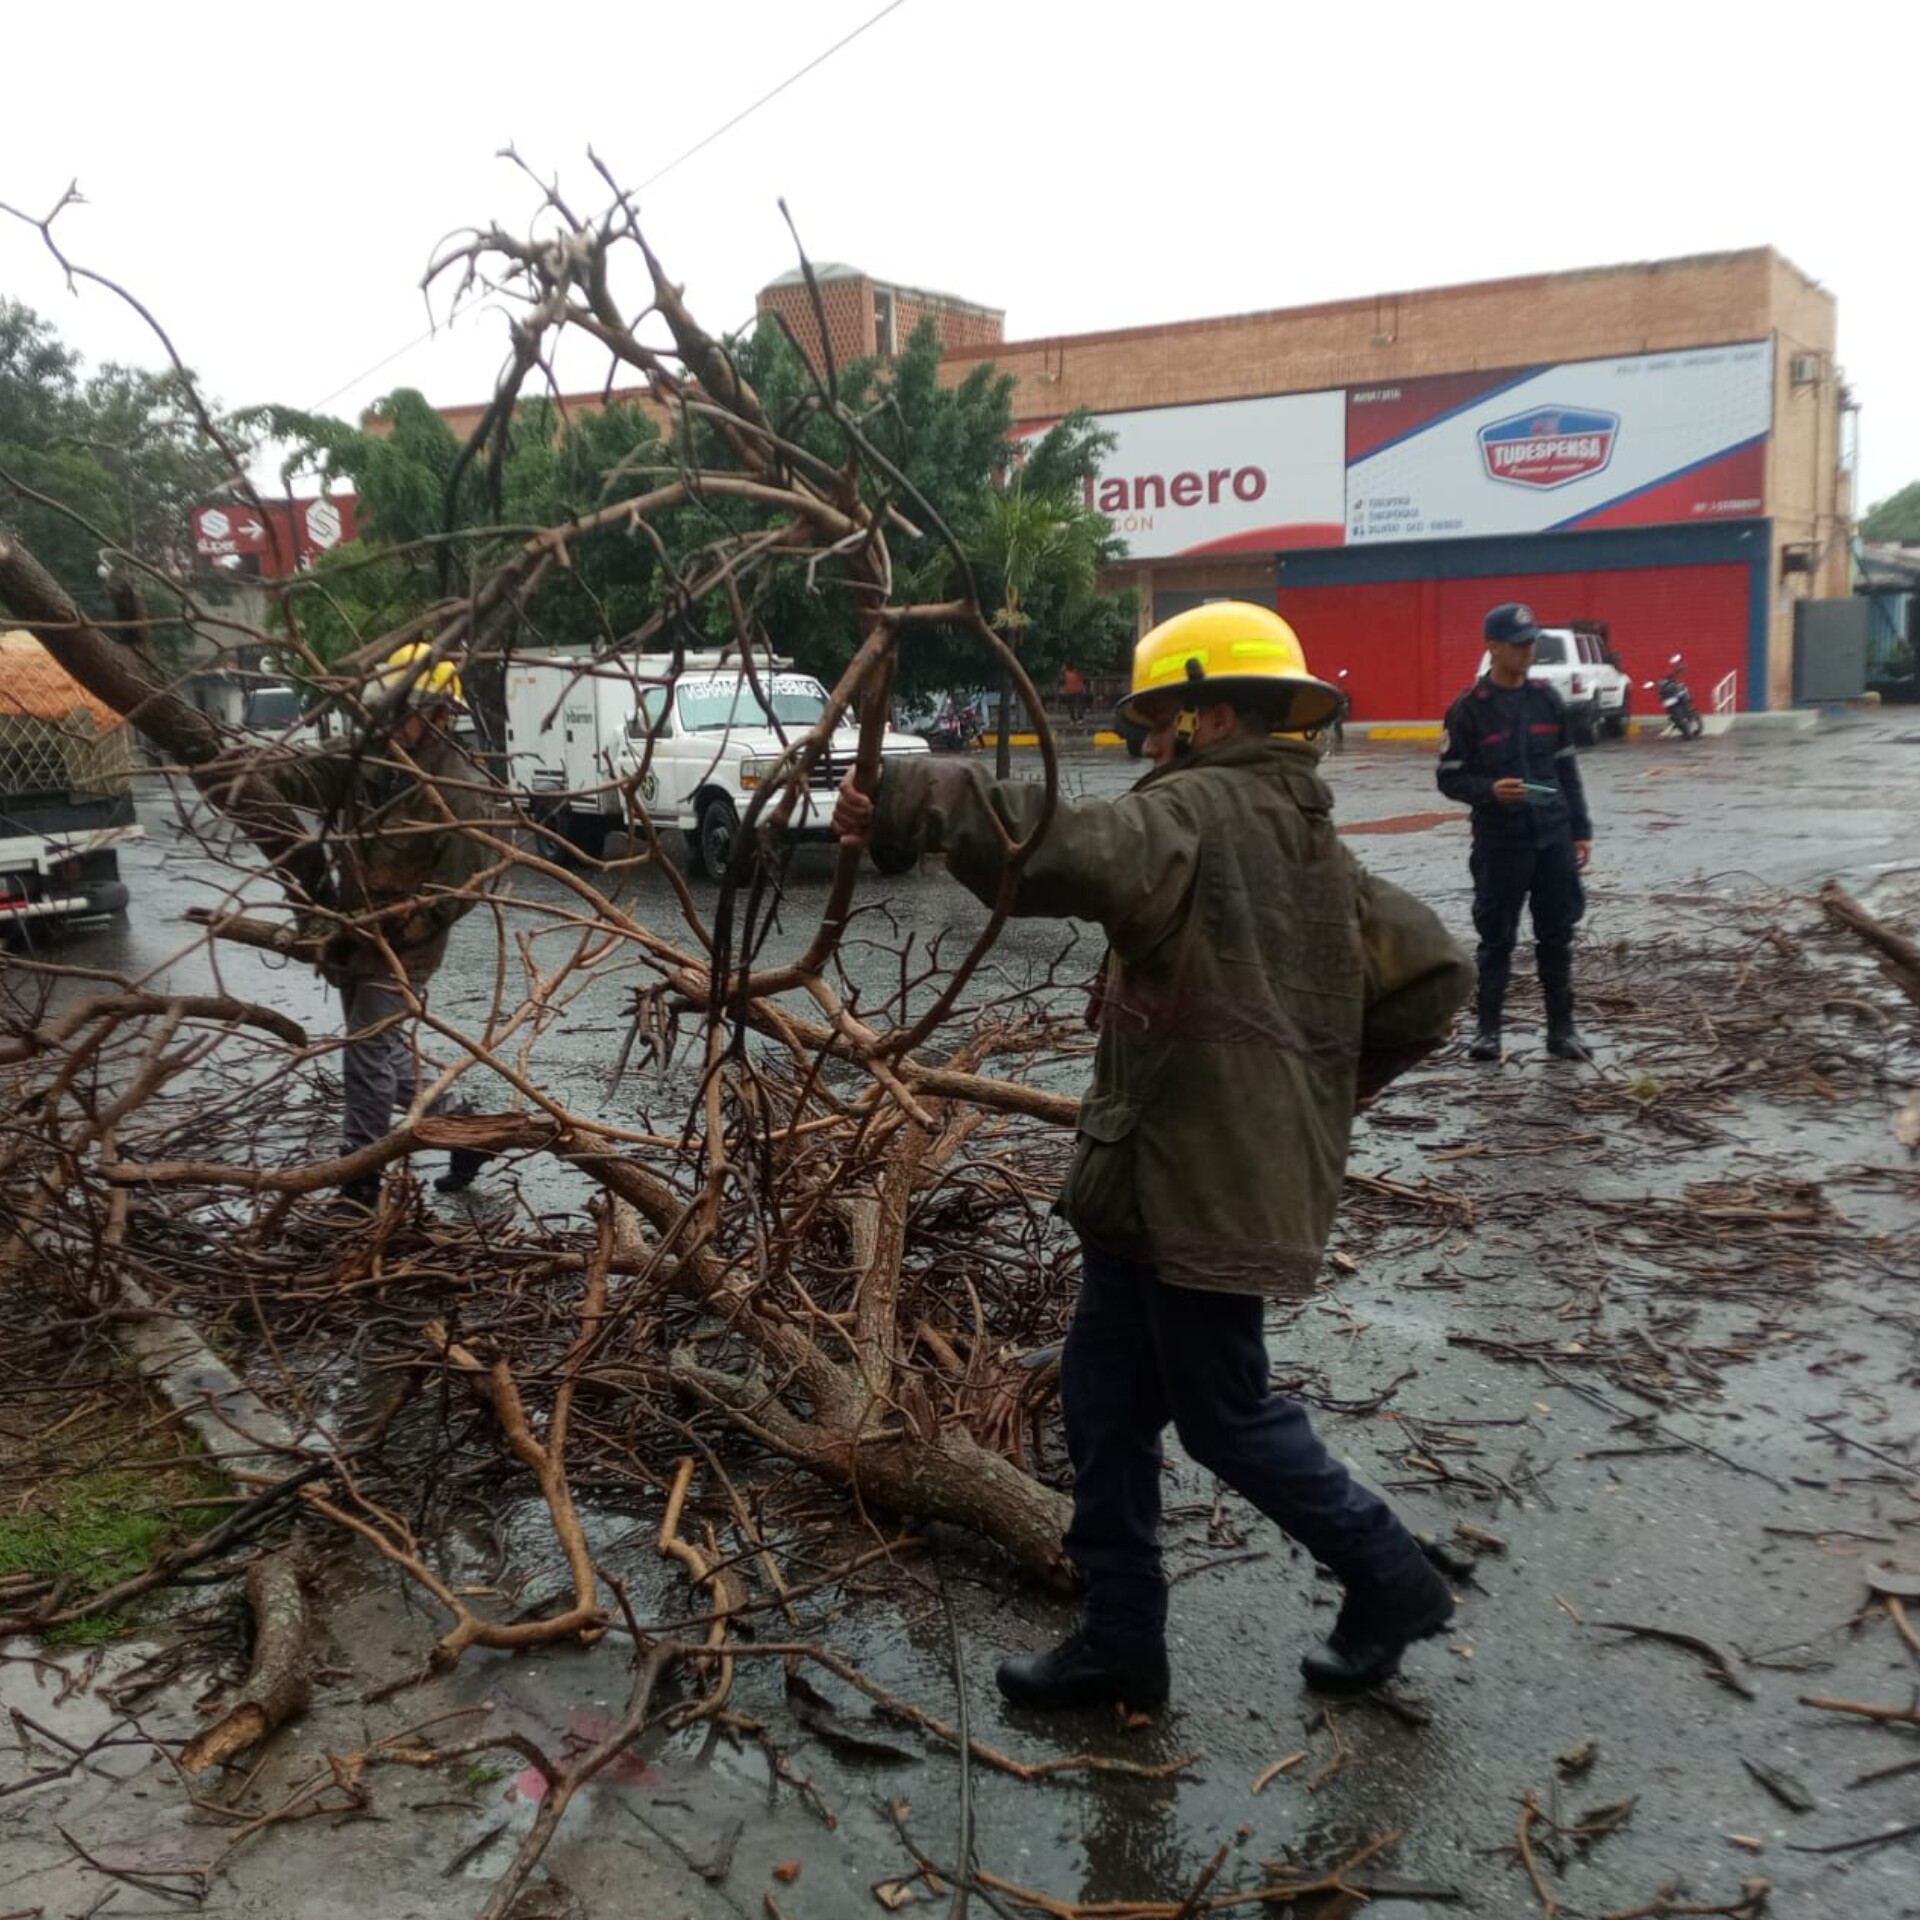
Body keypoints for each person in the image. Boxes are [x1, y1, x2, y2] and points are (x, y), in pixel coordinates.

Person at [833, 602, 1474, 1706]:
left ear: (1211, 711)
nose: (1148, 742)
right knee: (1104, 1394)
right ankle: (1124, 1641)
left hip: (1200, 1188)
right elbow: (1433, 974)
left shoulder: (1202, 810)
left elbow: (1063, 850)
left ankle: (1390, 1576)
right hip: (1167, 1178)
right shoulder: (1302, 832)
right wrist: (1320, 1093)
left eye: (1159, 719)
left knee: (1226, 1414)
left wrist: (911, 792)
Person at [273, 643, 501, 1209]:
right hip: (350, 931)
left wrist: (403, 923)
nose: (393, 725)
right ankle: (466, 1123)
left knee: (367, 1053)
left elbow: (459, 888)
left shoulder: (459, 788)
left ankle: (361, 1180)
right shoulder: (369, 759)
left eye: (406, 713)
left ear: (440, 716)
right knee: (388, 1059)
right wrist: (239, 765)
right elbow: (304, 777)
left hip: (406, 948)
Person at [1437, 604, 1595, 1063]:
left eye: (1531, 643)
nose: (1527, 652)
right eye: (1518, 644)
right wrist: (1489, 791)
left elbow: (1567, 768)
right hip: (1500, 842)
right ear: (1493, 647)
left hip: (1552, 839)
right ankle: (1488, 1033)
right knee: (1497, 939)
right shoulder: (1468, 710)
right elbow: (1448, 777)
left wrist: (1579, 830)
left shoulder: (1547, 700)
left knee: (1557, 934)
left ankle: (1562, 1032)